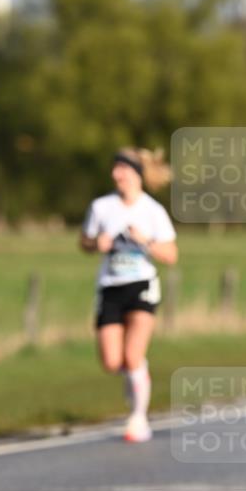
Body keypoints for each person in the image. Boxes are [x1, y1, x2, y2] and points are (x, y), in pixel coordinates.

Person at [80, 148, 177, 442]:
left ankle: (138, 418)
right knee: (112, 362)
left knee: (133, 355)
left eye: (121, 168)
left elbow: (171, 255)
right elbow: (84, 242)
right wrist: (96, 244)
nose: (115, 174)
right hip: (110, 286)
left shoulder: (153, 211)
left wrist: (145, 241)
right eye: (114, 168)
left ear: (136, 173)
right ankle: (136, 375)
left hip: (141, 286)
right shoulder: (101, 207)